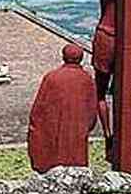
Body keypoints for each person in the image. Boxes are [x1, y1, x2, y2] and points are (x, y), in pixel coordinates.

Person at [28, 44, 97, 173]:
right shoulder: (87, 79)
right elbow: (92, 112)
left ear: (63, 56)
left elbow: (39, 110)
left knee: (54, 161)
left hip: (54, 132)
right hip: (77, 132)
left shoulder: (52, 77)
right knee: (75, 163)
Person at [92, 0, 120, 162]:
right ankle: (119, 134)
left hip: (105, 35)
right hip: (126, 36)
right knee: (122, 92)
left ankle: (108, 133)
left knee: (100, 92)